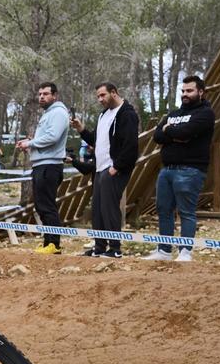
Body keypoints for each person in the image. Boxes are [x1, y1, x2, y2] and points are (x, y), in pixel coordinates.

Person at [142, 75, 214, 262]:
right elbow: (157, 136)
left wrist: (170, 131)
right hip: (167, 170)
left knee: (186, 211)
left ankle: (185, 252)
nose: (185, 94)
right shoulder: (174, 114)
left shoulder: (205, 113)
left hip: (190, 170)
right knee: (163, 209)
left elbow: (186, 132)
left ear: (200, 92)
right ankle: (164, 250)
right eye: (183, 91)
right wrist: (172, 133)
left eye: (189, 91)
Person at [70, 82, 139, 258]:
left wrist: (116, 167)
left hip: (113, 168)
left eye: (103, 95)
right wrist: (81, 129)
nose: (100, 99)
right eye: (98, 96)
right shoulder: (104, 115)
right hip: (99, 169)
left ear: (114, 93)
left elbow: (131, 146)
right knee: (98, 210)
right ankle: (99, 247)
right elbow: (96, 140)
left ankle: (115, 249)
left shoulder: (127, 114)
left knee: (110, 209)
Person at [16, 82, 68, 254]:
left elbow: (53, 137)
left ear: (55, 95)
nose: (42, 97)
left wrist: (30, 143)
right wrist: (30, 143)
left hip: (50, 165)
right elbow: (47, 137)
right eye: (40, 94)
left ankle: (54, 245)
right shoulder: (48, 114)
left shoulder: (59, 112)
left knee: (47, 206)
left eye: (45, 94)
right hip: (41, 164)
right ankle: (48, 243)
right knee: (41, 206)